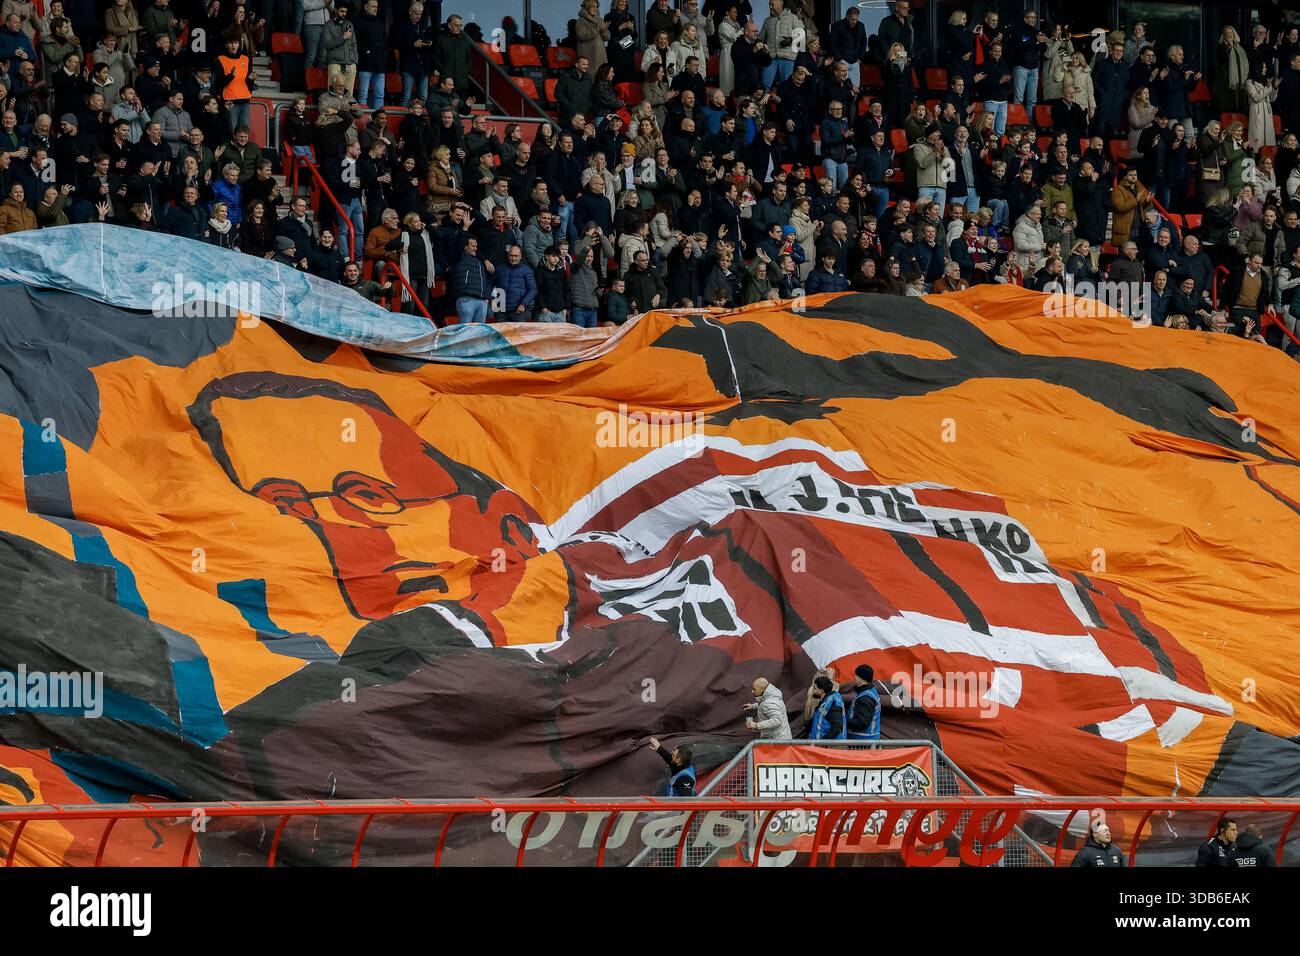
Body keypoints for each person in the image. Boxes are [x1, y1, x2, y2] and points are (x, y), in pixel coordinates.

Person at [846, 664, 880, 740]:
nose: (854, 677)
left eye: (856, 675)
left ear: (861, 678)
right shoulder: (868, 692)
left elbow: (862, 723)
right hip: (864, 740)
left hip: (863, 741)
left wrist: (843, 720)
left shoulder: (866, 697)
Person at [806, 674, 846, 740]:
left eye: (815, 688)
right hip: (822, 746)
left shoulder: (833, 703)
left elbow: (837, 727)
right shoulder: (825, 702)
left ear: (821, 690)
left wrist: (824, 741)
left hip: (828, 747)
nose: (813, 690)